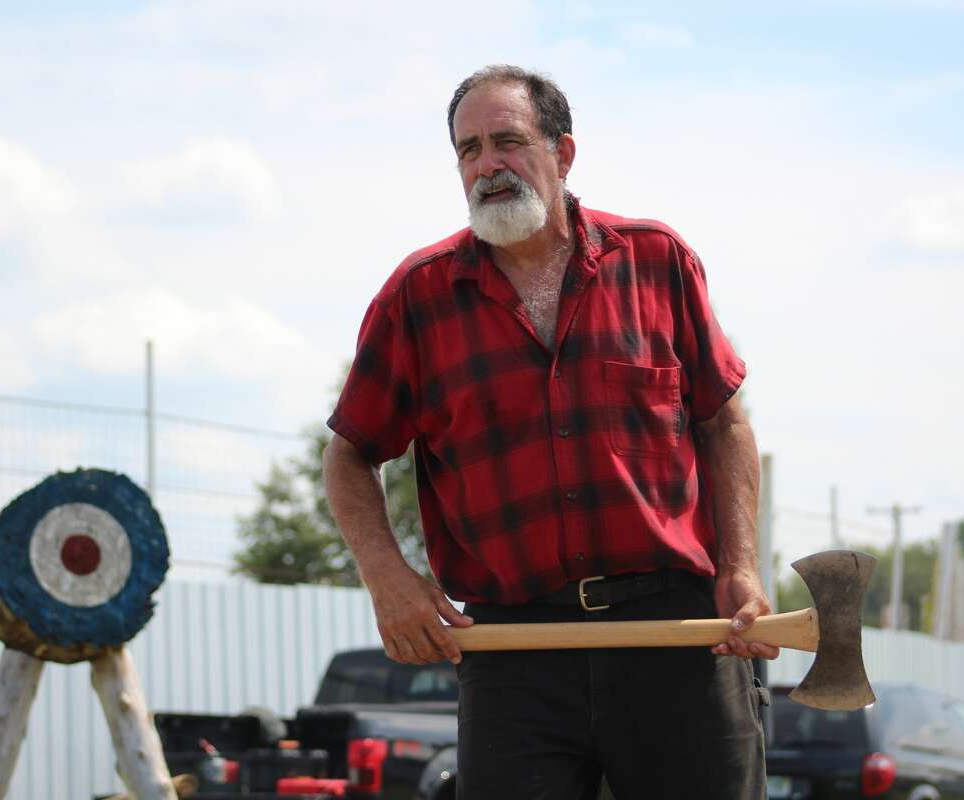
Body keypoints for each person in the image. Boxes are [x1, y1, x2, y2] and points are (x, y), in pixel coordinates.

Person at [323, 64, 776, 800]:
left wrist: (743, 565)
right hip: (513, 651)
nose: (487, 165)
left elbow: (723, 423)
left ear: (563, 155)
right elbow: (348, 457)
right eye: (468, 151)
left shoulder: (657, 261)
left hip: (674, 634)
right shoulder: (418, 297)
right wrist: (389, 581)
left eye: (508, 141)